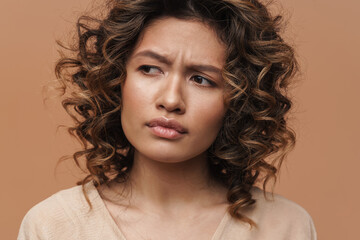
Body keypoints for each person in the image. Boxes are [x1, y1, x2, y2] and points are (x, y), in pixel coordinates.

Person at [18, 0, 317, 239]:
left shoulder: (285, 228)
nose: (171, 100)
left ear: (237, 102)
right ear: (115, 80)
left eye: (201, 79)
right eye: (150, 69)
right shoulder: (53, 227)